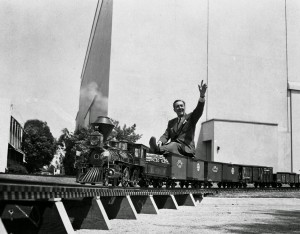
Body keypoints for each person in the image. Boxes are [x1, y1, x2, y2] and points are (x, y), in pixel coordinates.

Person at [149, 80, 207, 157]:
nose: (180, 108)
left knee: (173, 145)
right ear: (174, 109)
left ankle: (157, 150)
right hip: (173, 148)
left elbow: (199, 110)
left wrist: (202, 96)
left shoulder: (191, 117)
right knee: (168, 146)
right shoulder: (171, 122)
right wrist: (160, 141)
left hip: (186, 149)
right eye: (177, 106)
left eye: (181, 106)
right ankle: (156, 149)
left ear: (184, 107)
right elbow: (166, 135)